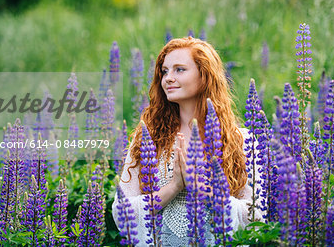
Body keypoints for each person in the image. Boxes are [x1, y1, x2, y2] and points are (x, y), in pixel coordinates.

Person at [112, 37, 263, 246]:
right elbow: (121, 212)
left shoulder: (242, 140)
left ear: (204, 76)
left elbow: (256, 217)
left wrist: (203, 190)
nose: (168, 78)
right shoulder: (148, 137)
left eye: (179, 70)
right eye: (164, 71)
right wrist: (174, 186)